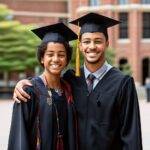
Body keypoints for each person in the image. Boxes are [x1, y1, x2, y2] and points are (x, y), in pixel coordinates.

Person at [13, 13, 142, 150]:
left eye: (98, 41)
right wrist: (26, 83)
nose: (92, 46)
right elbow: (48, 82)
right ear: (80, 46)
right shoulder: (71, 79)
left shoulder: (122, 83)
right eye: (86, 41)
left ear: (107, 44)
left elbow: (131, 136)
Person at [8, 22, 78, 150]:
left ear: (67, 60)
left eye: (61, 55)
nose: (56, 59)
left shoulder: (69, 89)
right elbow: (19, 137)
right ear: (42, 58)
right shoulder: (28, 92)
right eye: (50, 54)